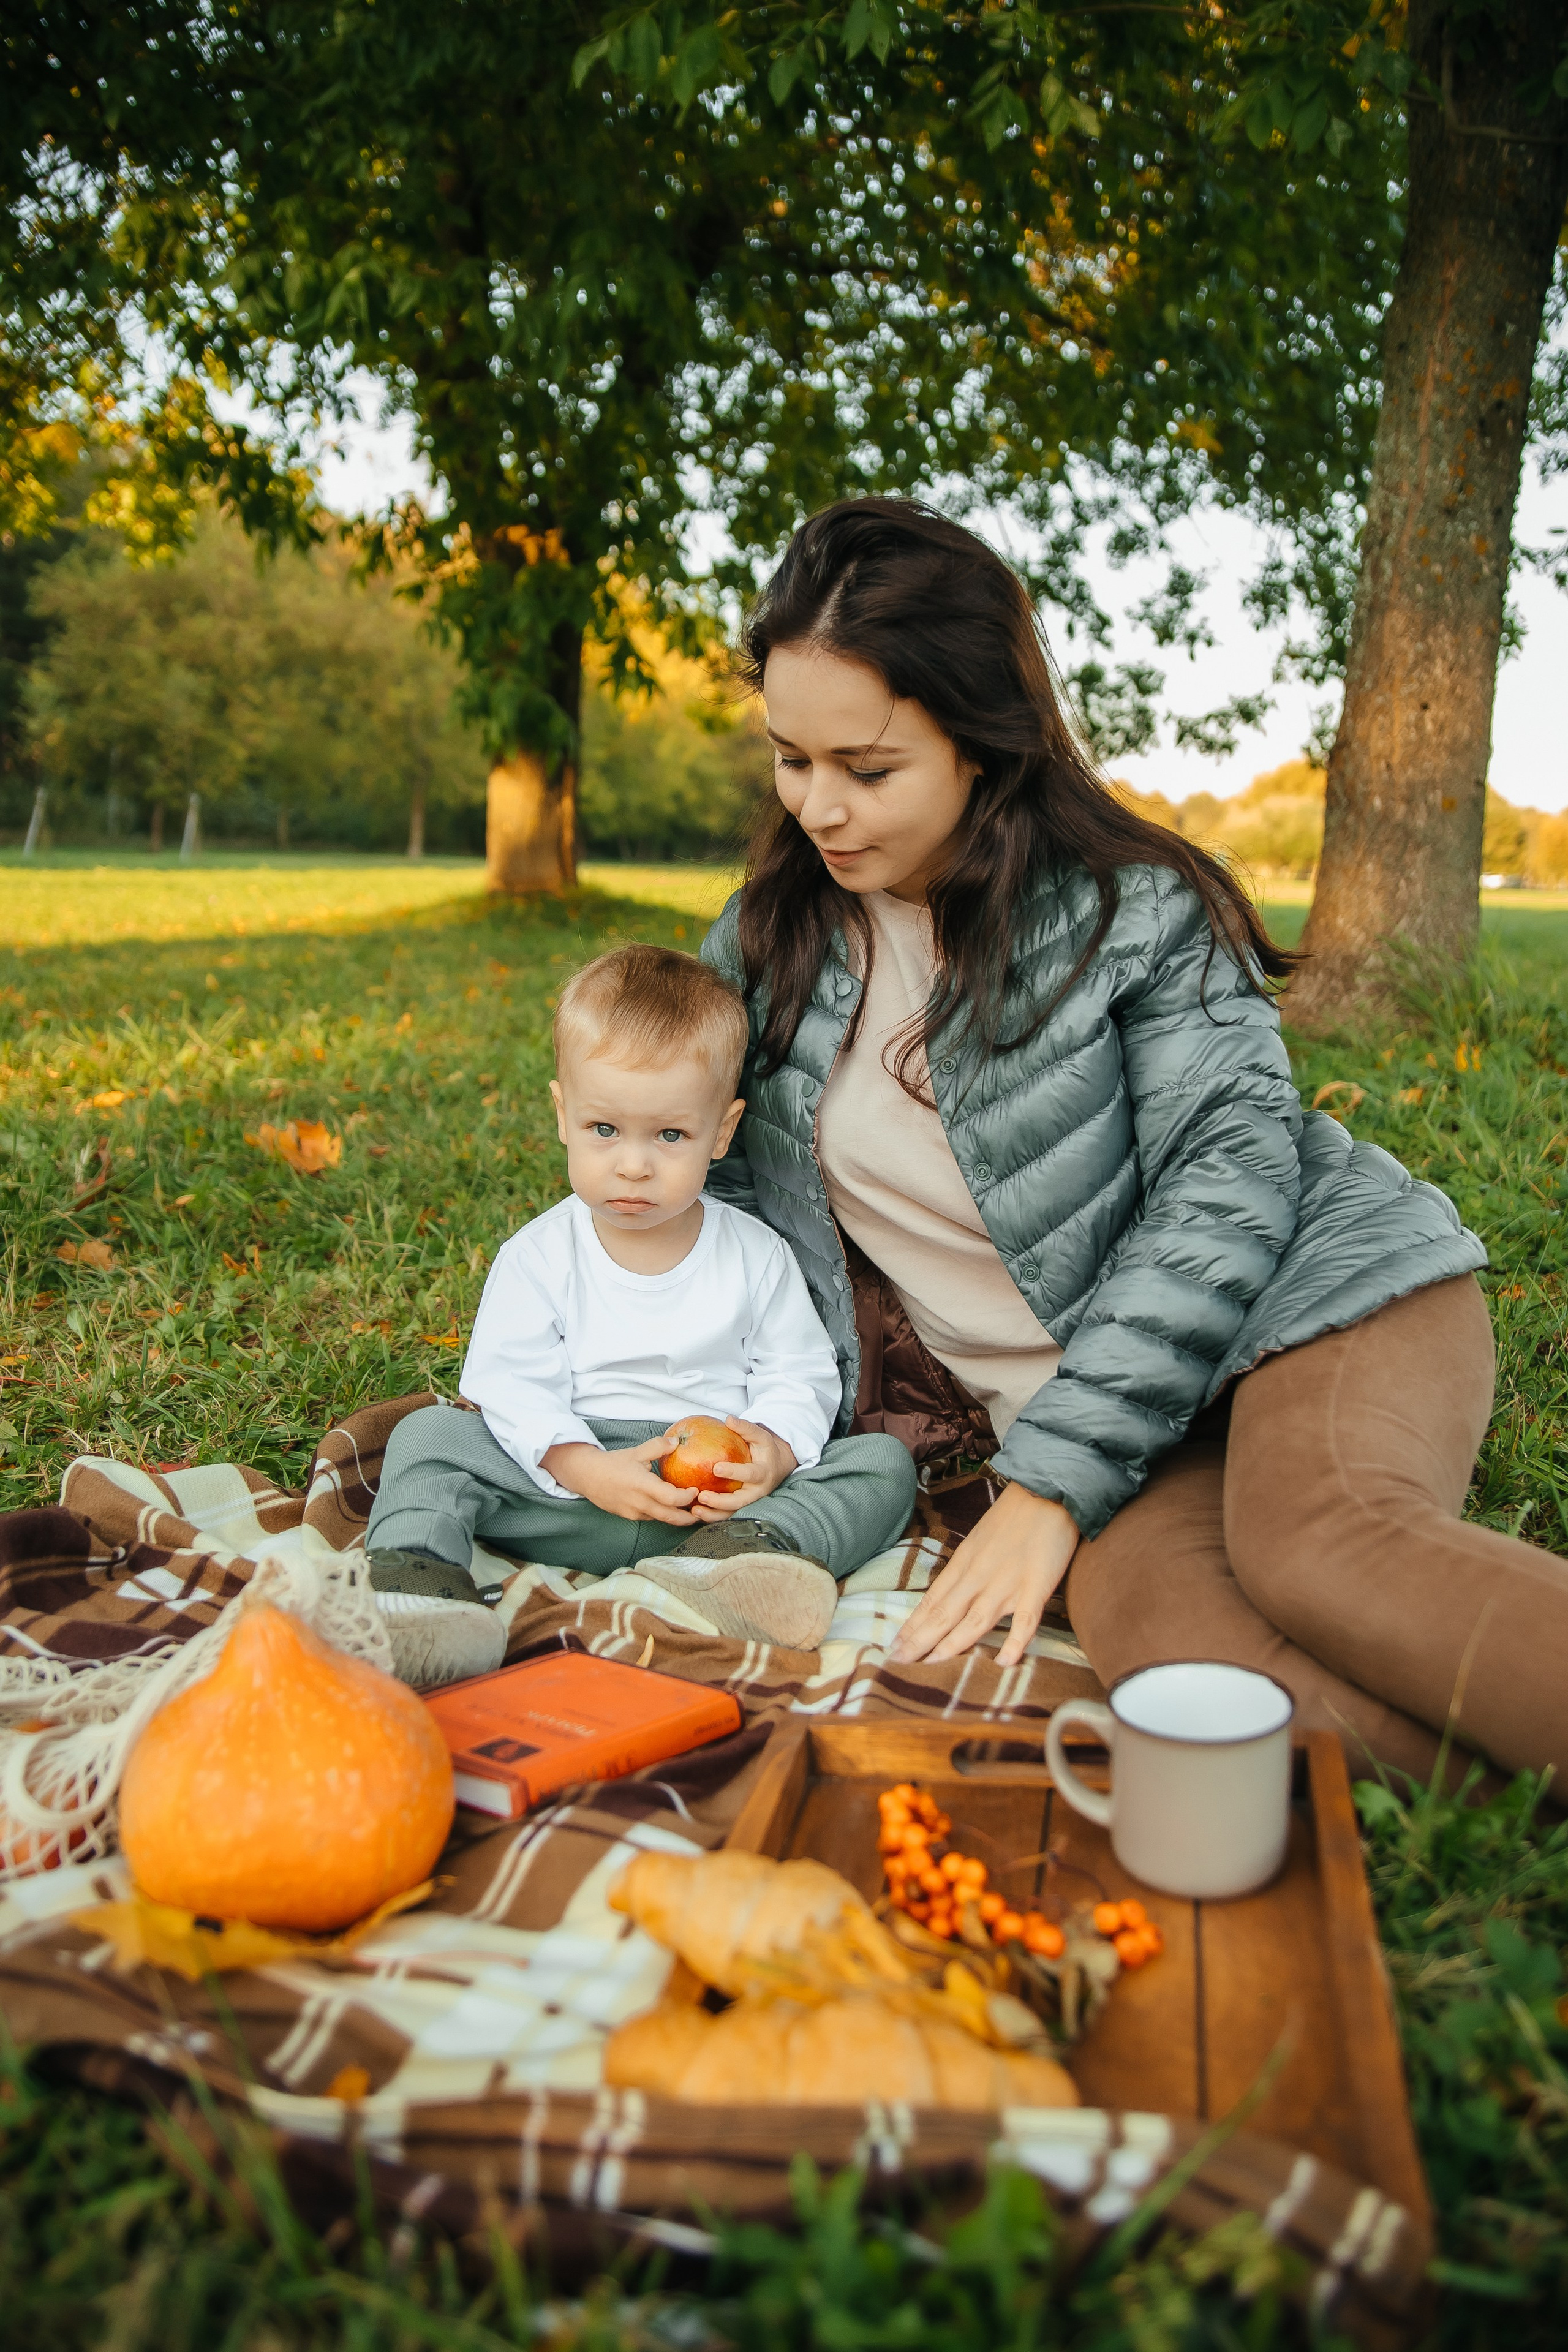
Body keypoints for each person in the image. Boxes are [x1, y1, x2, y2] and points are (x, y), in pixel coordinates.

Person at [699, 494, 1568, 1788]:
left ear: (982, 744)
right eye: (791, 759)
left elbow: (1229, 1191)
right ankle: (1513, 1794)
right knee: (1178, 1661)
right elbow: (686, 1184)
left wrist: (1049, 1491)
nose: (820, 808)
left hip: (1313, 1301)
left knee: (1313, 1549)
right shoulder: (769, 938)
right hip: (1112, 1422)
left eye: (868, 771)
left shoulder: (1135, 911)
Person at [365, 943, 916, 1686]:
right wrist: (584, 1467)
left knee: (880, 1464)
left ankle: (742, 1561)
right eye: (604, 1130)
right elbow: (511, 1385)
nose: (633, 1164)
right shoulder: (538, 1256)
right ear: (564, 1116)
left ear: (721, 1134)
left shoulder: (755, 1253)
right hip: (569, 1487)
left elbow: (798, 1371)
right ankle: (416, 1587)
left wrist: (773, 1452)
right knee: (428, 1436)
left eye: (670, 1135)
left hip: (714, 1500)